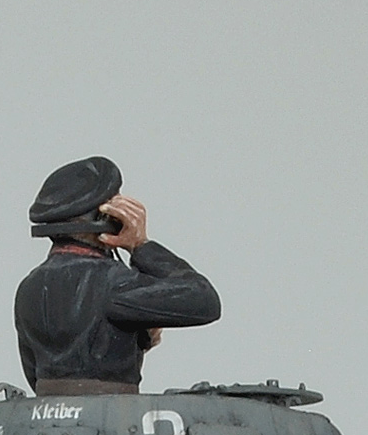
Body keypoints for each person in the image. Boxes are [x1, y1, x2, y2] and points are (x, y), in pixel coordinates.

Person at [14, 156, 220, 395]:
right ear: (107, 216)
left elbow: (37, 374)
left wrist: (133, 341)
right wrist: (140, 245)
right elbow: (204, 300)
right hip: (112, 411)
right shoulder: (114, 283)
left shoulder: (28, 286)